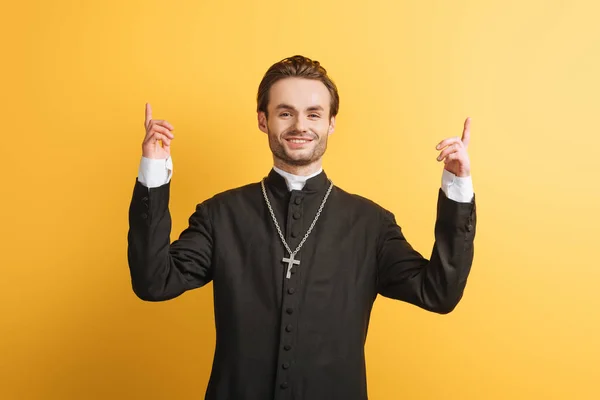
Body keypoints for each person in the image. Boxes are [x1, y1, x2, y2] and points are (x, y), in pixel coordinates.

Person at [127, 55, 477, 400]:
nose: (300, 125)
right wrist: (153, 172)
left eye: (314, 114)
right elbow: (154, 281)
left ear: (331, 123)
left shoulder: (371, 225)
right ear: (264, 121)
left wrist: (457, 188)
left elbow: (439, 293)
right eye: (285, 112)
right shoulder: (221, 215)